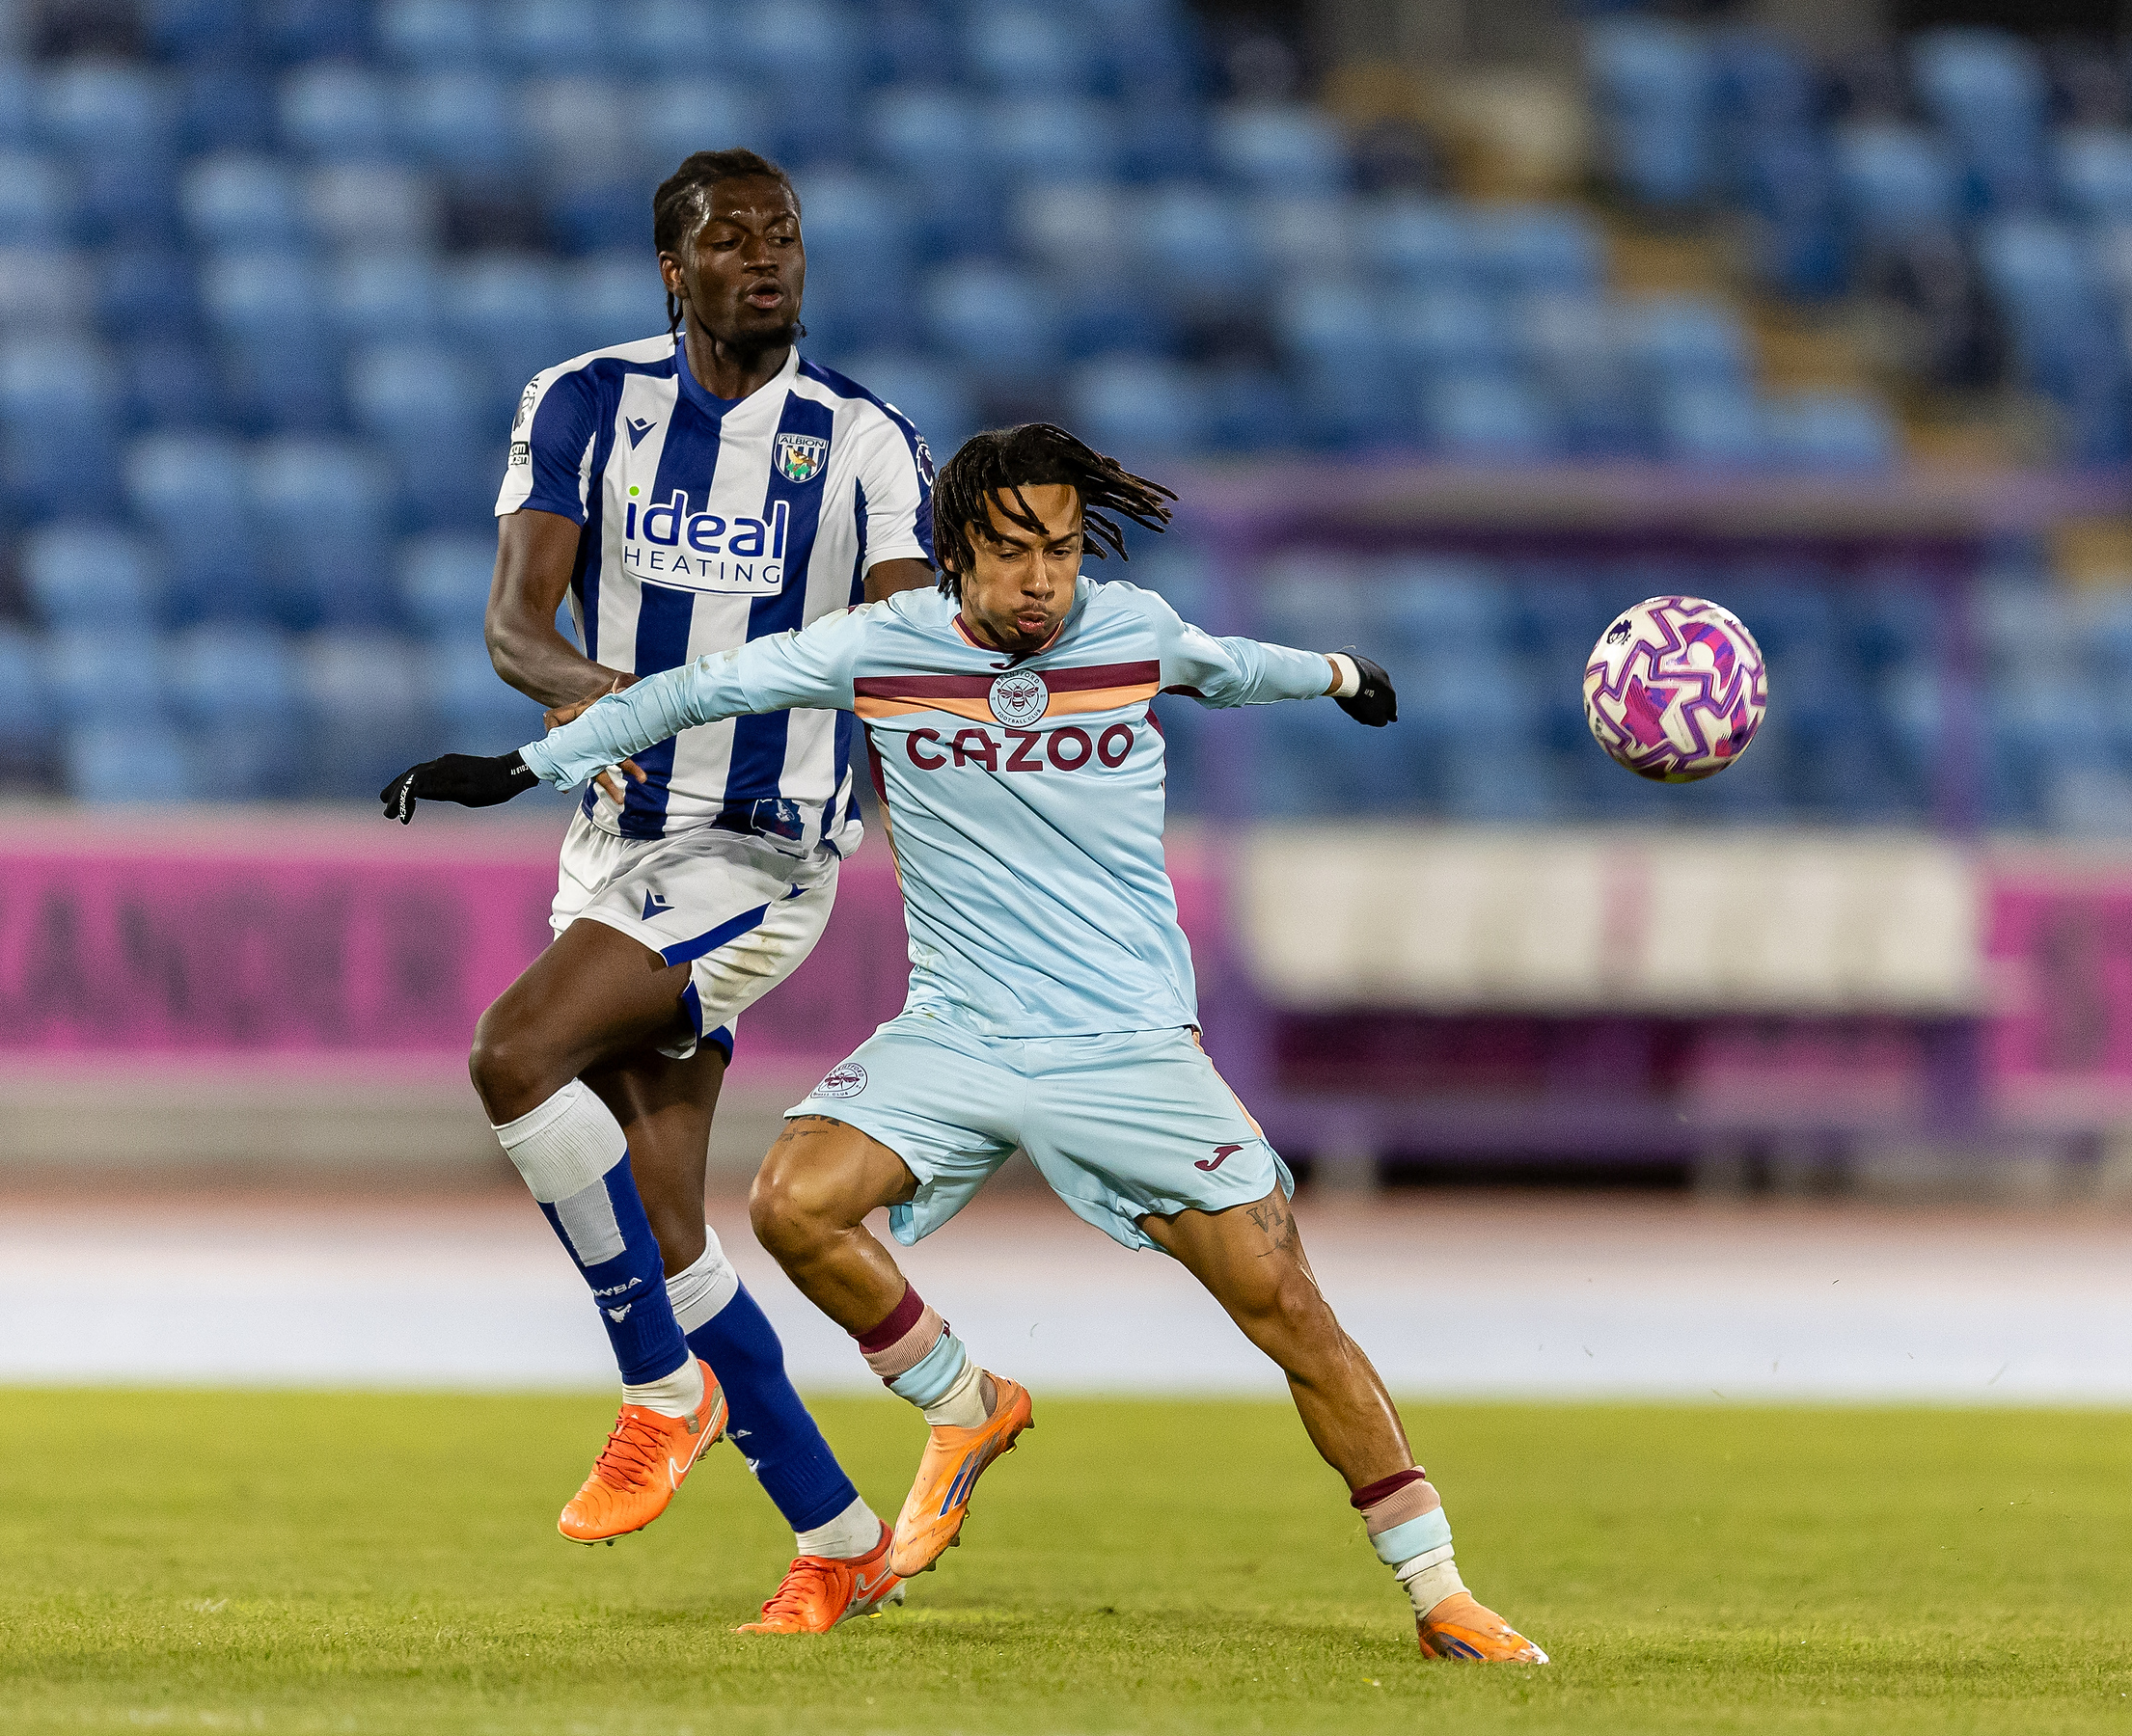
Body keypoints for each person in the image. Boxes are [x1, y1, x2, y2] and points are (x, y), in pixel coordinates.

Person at [383, 424, 1549, 1665]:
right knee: (795, 1202)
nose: (1042, 578)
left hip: (1128, 1048)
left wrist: (1340, 672)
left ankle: (1441, 1594)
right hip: (960, 1032)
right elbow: (697, 691)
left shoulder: (1132, 630)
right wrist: (523, 763)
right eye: (1010, 552)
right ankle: (966, 1402)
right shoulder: (883, 650)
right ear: (953, 556)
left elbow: (1237, 665)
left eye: (1057, 548)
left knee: (1292, 1315)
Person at [459, 146, 935, 1634]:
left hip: (759, 851)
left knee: (513, 1053)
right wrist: (619, 702)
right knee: (673, 1231)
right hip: (613, 845)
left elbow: (906, 660)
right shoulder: (584, 404)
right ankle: (842, 1534)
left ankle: (661, 1391)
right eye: (732, 240)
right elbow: (513, 632)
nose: (766, 258)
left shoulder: (862, 442)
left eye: (784, 235)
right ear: (674, 269)